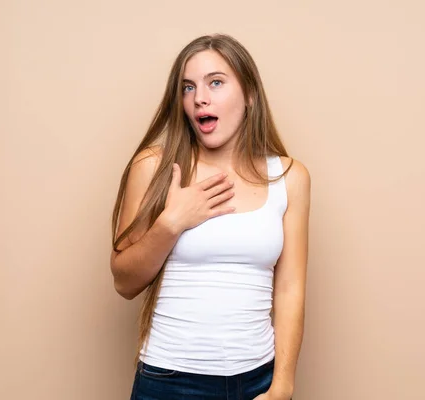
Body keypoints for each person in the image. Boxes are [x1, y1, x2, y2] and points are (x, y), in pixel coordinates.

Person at [110, 33, 311, 400]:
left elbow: (290, 288)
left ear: (250, 94)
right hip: (169, 382)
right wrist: (172, 223)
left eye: (215, 82)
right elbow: (124, 282)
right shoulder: (154, 167)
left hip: (256, 381)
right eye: (188, 87)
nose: (199, 97)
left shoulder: (290, 177)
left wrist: (282, 385)